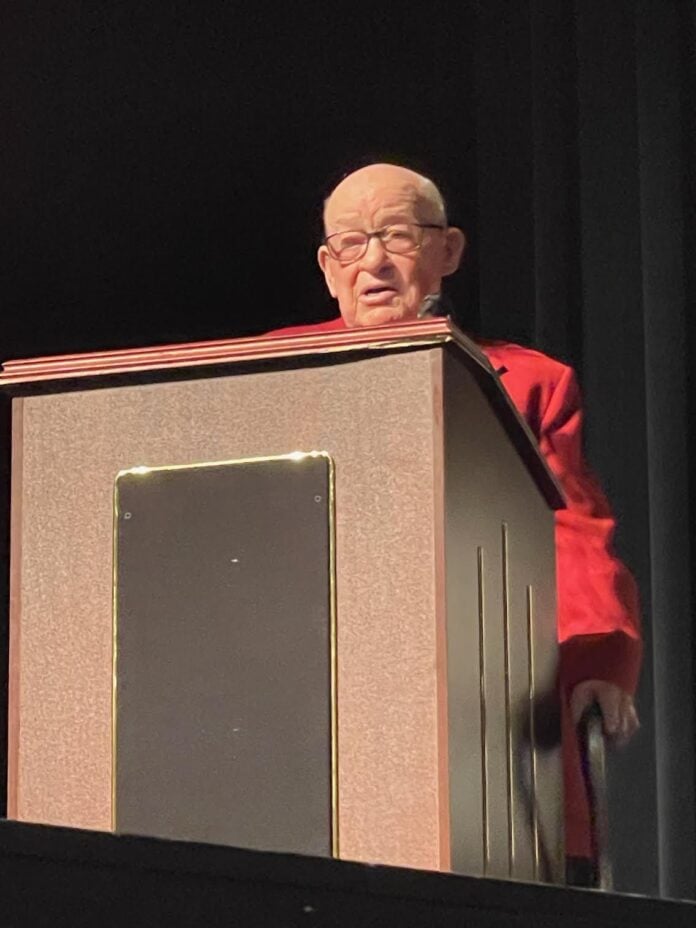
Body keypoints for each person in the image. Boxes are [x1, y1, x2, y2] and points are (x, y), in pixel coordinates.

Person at [271, 163, 642, 882]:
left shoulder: (527, 381)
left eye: (397, 236)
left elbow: (571, 530)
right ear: (326, 267)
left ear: (448, 252)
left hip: (472, 705)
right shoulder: (274, 368)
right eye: (350, 243)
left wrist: (598, 659)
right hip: (308, 693)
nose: (373, 261)